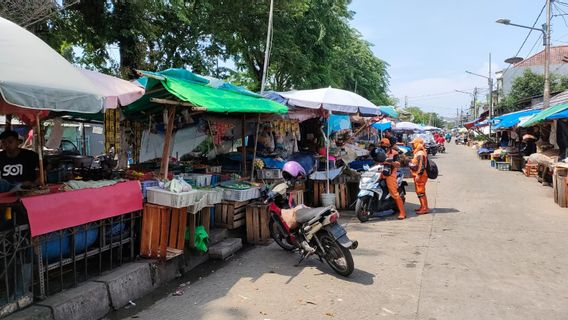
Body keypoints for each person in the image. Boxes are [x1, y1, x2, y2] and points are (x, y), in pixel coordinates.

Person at [379, 138, 406, 220]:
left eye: (385, 146)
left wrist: (391, 162)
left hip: (390, 173)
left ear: (388, 145)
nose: (384, 147)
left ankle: (402, 212)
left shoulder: (394, 153)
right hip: (380, 172)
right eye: (382, 146)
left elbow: (398, 165)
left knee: (394, 193)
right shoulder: (379, 152)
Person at [409, 137, 430, 214]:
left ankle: (425, 208)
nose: (412, 145)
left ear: (417, 143)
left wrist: (418, 175)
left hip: (421, 176)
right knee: (419, 191)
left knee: (421, 192)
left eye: (414, 143)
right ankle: (422, 206)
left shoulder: (420, 153)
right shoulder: (417, 152)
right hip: (417, 175)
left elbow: (421, 165)